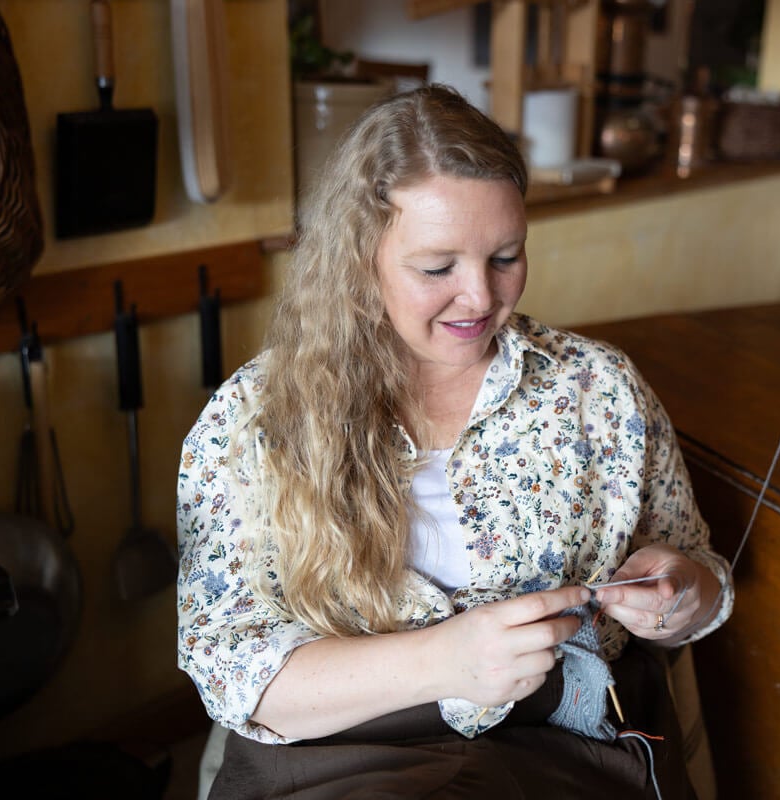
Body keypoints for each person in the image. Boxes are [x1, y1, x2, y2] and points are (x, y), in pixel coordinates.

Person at [176, 84, 733, 799]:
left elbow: (700, 568)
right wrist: (443, 661)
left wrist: (683, 593)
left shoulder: (599, 390)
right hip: (339, 754)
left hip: (560, 750)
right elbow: (229, 667)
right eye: (437, 268)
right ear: (361, 258)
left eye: (506, 256)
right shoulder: (257, 419)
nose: (479, 298)